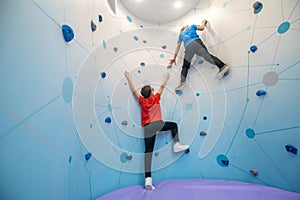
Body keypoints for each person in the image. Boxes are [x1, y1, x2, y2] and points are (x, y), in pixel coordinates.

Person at [124, 71, 189, 190]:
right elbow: (162, 87)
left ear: (143, 95)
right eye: (153, 90)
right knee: (174, 125)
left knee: (148, 152)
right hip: (158, 125)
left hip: (148, 127)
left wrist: (129, 79)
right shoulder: (155, 98)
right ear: (151, 93)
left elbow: (134, 92)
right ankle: (176, 144)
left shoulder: (143, 101)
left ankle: (148, 180)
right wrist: (166, 78)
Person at [168, 20, 230, 91]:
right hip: (197, 42)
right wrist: (203, 22)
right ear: (186, 26)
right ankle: (222, 66)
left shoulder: (181, 34)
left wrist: (174, 58)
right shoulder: (192, 26)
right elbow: (202, 28)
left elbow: (178, 46)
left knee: (185, 65)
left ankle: (182, 82)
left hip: (189, 47)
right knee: (208, 56)